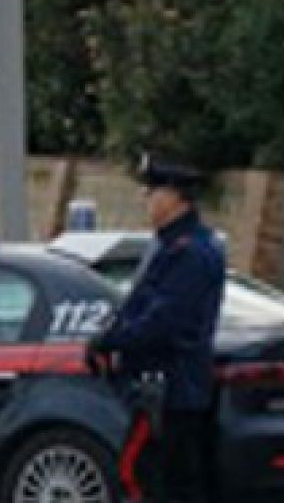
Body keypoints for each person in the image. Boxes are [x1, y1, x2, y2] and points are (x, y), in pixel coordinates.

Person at [87, 154, 225, 503]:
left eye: (152, 190)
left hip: (171, 390)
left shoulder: (188, 252)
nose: (145, 199)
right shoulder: (169, 244)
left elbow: (164, 322)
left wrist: (111, 341)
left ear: (175, 196)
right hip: (166, 389)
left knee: (157, 482)